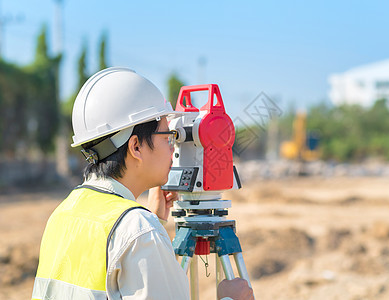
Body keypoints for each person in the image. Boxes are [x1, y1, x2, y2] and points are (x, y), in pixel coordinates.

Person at [32, 67, 254, 300]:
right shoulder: (138, 231)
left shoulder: (63, 213)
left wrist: (152, 222)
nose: (173, 148)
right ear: (136, 146)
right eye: (168, 137)